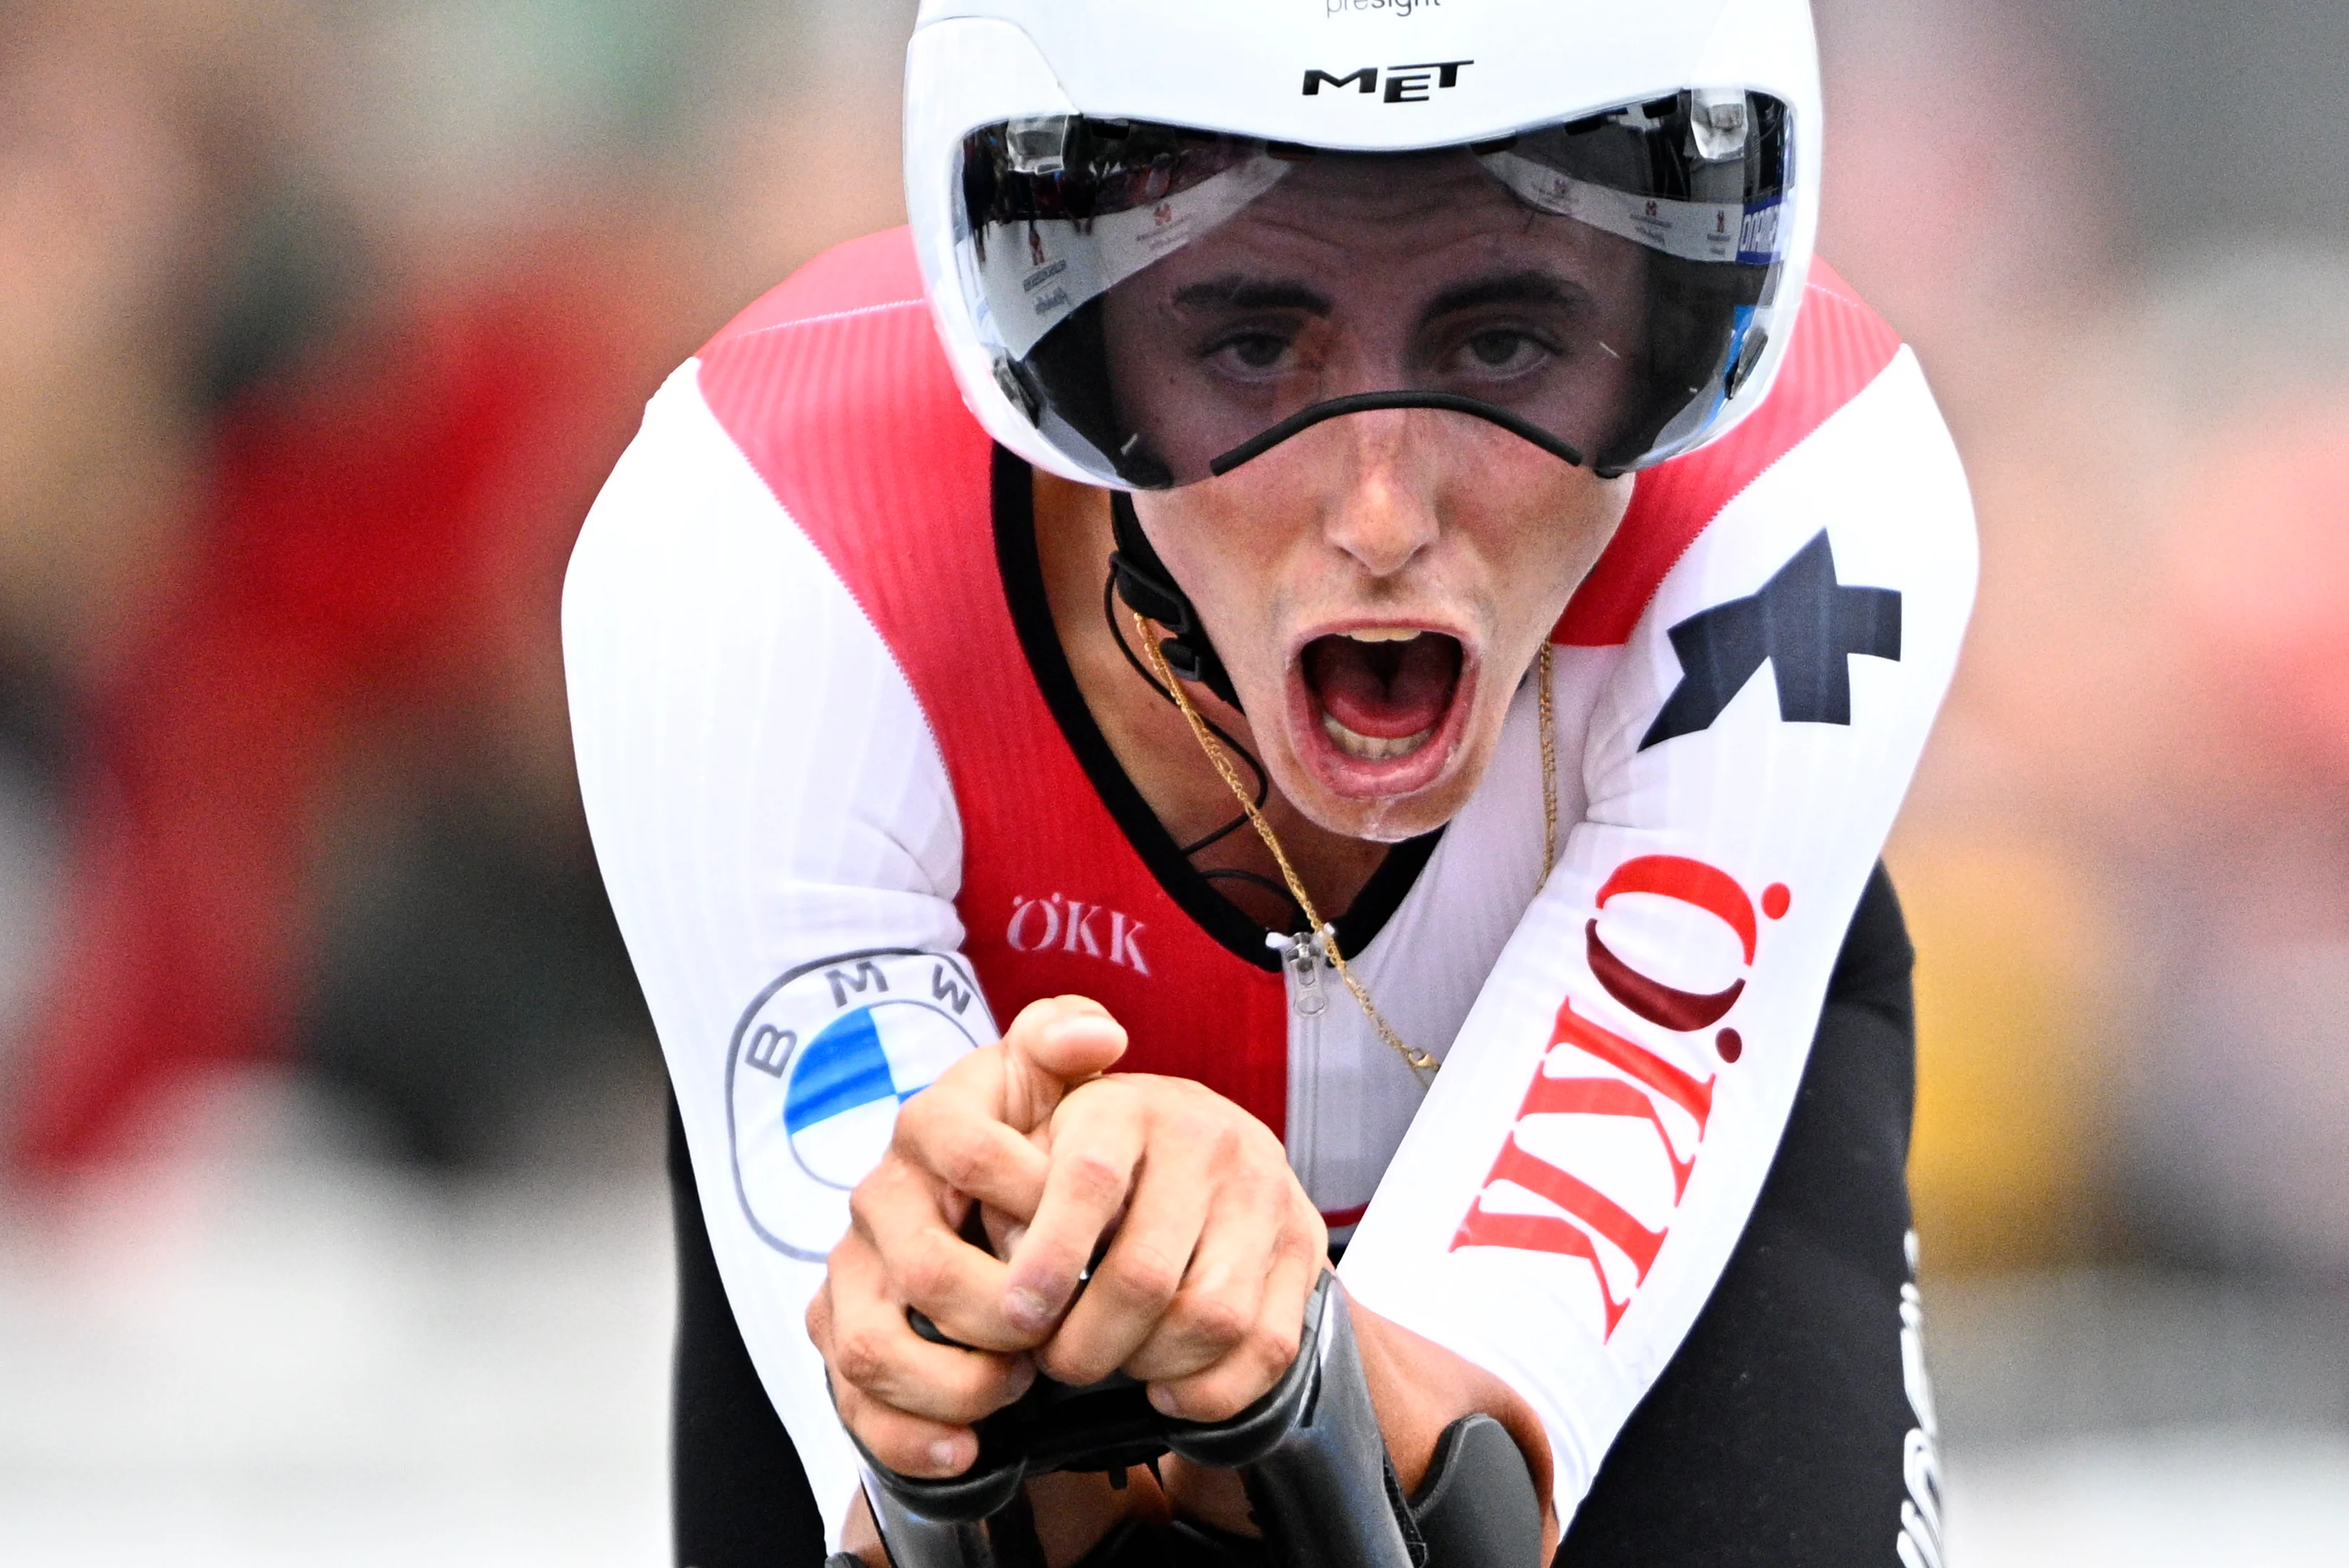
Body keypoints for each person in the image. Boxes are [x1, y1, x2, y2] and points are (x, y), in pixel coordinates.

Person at [563, 1, 1976, 1562]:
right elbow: (976, 1526)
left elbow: (1467, 1495)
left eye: (1502, 340)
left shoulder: (1805, 493)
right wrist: (1004, 1331)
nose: (1379, 518)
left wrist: (1278, 1335)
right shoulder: (751, 544)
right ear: (1055, 341)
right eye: (1248, 343)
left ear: (1691, 328)